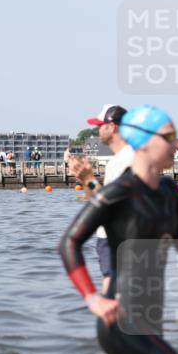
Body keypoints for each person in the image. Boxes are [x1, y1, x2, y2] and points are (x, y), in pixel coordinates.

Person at [59, 105, 178, 354]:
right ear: (143, 140)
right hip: (121, 322)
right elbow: (69, 243)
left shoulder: (169, 192)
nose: (177, 144)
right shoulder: (119, 192)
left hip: (152, 317)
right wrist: (92, 298)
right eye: (169, 136)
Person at [69, 104, 131, 296]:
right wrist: (85, 180)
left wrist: (89, 179)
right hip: (110, 238)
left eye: (100, 125)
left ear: (112, 127)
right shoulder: (117, 160)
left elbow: (111, 206)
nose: (97, 129)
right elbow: (99, 202)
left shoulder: (128, 159)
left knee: (112, 298)